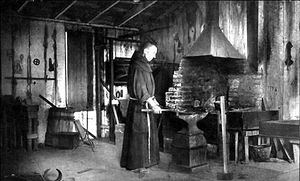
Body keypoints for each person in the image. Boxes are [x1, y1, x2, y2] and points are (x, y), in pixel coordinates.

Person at [120, 42, 162, 172]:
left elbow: (147, 87)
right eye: (153, 53)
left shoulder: (144, 65)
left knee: (145, 134)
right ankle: (137, 164)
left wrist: (153, 102)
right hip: (138, 107)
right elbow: (141, 87)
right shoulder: (138, 66)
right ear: (145, 51)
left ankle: (146, 161)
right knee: (138, 135)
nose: (154, 56)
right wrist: (151, 103)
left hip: (145, 104)